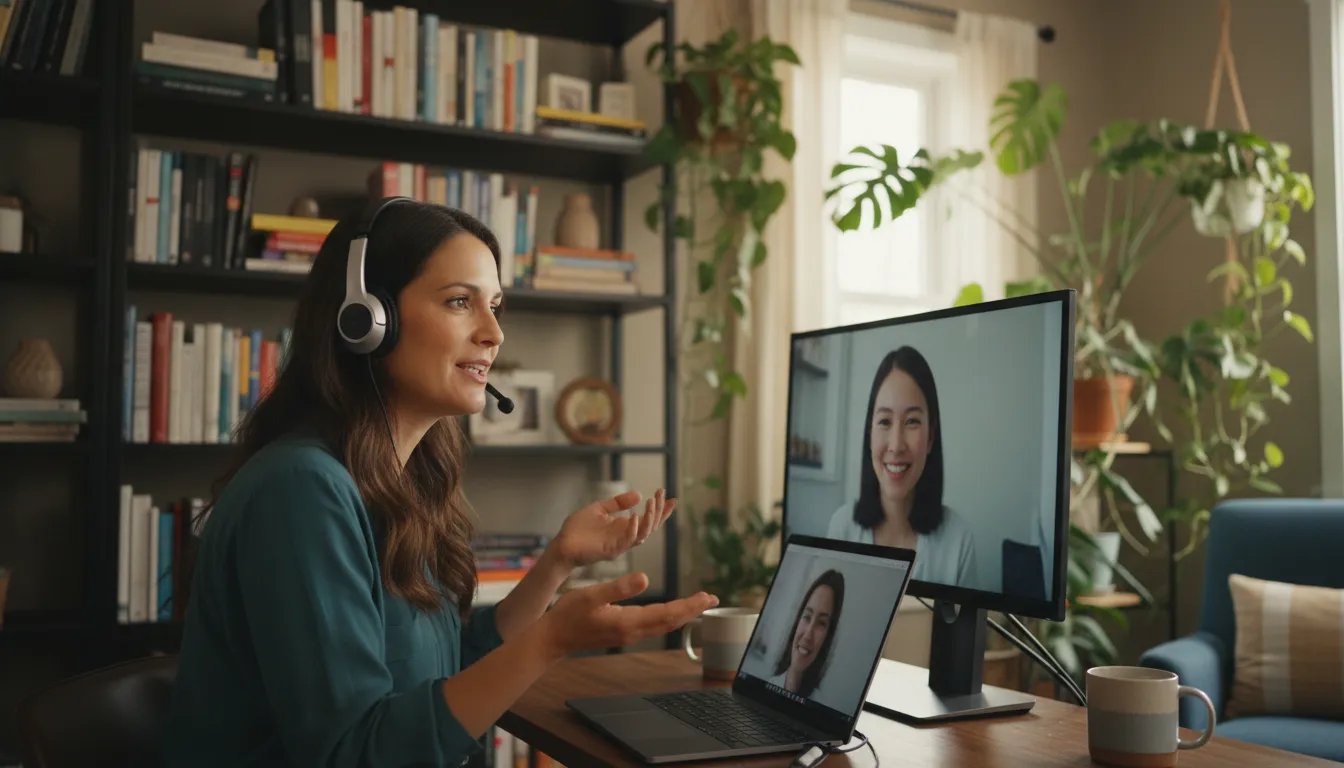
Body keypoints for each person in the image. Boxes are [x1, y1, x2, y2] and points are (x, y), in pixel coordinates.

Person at [160, 199, 718, 767]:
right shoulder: (301, 490)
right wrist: (551, 640)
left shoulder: (396, 484)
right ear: (367, 320)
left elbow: (452, 671)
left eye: (495, 306)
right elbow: (353, 753)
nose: (494, 333)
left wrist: (557, 564)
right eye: (459, 301)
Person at [826, 346, 978, 589]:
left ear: (931, 437)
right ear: (870, 434)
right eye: (884, 421)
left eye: (912, 421)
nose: (896, 446)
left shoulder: (959, 540)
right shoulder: (842, 527)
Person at [765, 569, 845, 698]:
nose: (808, 635)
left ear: (827, 637)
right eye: (807, 617)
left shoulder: (820, 702)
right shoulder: (768, 685)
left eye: (821, 623)